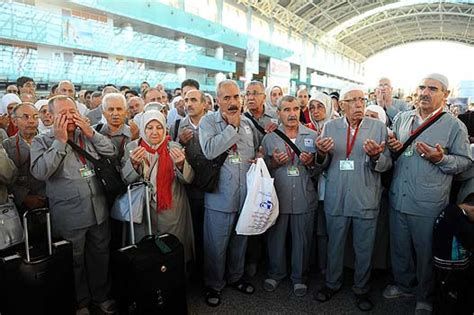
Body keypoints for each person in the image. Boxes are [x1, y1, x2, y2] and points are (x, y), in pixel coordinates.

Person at [384, 74, 472, 315]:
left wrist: (442, 159)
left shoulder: (454, 126)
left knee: (425, 252)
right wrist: (391, 149)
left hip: (428, 202)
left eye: (432, 89)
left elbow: (464, 162)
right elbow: (393, 153)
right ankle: (404, 285)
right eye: (422, 87)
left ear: (445, 94)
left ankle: (425, 295)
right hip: (399, 196)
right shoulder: (402, 119)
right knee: (399, 248)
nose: (425, 92)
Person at [30, 95, 117, 315]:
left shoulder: (85, 134)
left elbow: (110, 151)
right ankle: (80, 302)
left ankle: (101, 296)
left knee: (100, 255)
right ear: (50, 116)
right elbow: (40, 172)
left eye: (72, 111)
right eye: (63, 113)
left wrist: (91, 133)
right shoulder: (43, 140)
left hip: (98, 208)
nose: (70, 116)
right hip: (69, 214)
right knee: (73, 261)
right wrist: (59, 141)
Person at [314, 86, 392, 311]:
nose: (359, 104)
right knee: (335, 245)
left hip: (365, 197)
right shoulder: (330, 126)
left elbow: (387, 164)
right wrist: (321, 153)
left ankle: (361, 289)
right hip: (336, 196)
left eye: (362, 100)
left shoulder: (378, 127)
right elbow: (323, 164)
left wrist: (377, 156)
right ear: (342, 105)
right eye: (353, 100)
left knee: (364, 247)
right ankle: (332, 284)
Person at [199, 80, 258, 307]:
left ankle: (236, 277)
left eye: (236, 97)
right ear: (217, 100)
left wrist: (258, 156)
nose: (233, 102)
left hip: (244, 194)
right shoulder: (208, 122)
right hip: (220, 195)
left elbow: (252, 151)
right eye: (227, 98)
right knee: (216, 243)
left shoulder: (247, 124)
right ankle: (213, 285)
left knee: (240, 239)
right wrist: (231, 128)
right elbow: (210, 150)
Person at [261, 95, 318, 297]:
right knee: (275, 238)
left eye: (295, 109)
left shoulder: (312, 135)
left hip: (304, 196)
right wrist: (274, 163)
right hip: (278, 196)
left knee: (302, 239)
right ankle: (276, 273)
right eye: (286, 109)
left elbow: (319, 170)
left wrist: (311, 162)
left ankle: (299, 277)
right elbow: (263, 169)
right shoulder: (269, 138)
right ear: (278, 113)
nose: (292, 113)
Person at [121, 110, 194, 262]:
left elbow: (189, 179)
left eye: (159, 127)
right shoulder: (132, 147)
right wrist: (133, 164)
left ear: (165, 128)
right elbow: (125, 180)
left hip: (172, 210)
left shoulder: (173, 146)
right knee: (145, 250)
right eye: (149, 127)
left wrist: (181, 164)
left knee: (172, 248)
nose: (155, 132)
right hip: (143, 211)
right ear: (142, 129)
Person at [174, 89, 208, 274]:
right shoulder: (178, 124)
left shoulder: (214, 123)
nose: (189, 104)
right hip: (188, 187)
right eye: (186, 100)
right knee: (192, 230)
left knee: (209, 232)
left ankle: (208, 269)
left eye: (193, 100)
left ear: (204, 104)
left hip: (211, 185)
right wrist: (180, 141)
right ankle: (194, 269)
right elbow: (172, 150)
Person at [306, 92, 334, 275]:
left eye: (320, 106)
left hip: (332, 186)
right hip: (312, 186)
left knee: (330, 229)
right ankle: (319, 264)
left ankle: (330, 266)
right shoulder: (308, 129)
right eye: (312, 107)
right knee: (317, 229)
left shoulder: (337, 127)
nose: (315, 111)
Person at [432, 193, 474, 314]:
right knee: (450, 298)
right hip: (451, 266)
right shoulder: (457, 217)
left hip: (445, 264)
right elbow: (469, 238)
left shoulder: (451, 210)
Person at [3, 103, 46, 213]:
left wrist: (44, 195)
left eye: (35, 116)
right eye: (25, 117)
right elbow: (6, 178)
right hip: (20, 205)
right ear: (14, 121)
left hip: (48, 198)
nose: (31, 121)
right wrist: (24, 197)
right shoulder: (7, 145)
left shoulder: (49, 141)